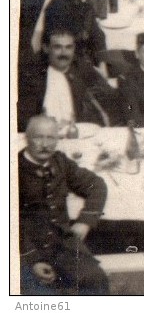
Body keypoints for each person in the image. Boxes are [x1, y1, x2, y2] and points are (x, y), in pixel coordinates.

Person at [18, 115, 109, 295]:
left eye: (51, 138)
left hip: (62, 245)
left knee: (96, 280)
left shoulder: (60, 162)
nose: (44, 144)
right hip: (24, 249)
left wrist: (85, 221)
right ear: (27, 138)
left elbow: (97, 185)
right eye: (38, 137)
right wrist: (33, 260)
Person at [18, 29, 117, 131]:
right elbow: (21, 116)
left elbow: (109, 100)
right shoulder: (32, 77)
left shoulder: (84, 71)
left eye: (68, 47)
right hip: (44, 134)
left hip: (79, 134)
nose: (63, 53)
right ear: (46, 48)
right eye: (57, 47)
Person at [42, 0, 107, 67]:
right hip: (67, 66)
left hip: (87, 62)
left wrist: (102, 63)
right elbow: (59, 49)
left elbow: (97, 36)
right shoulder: (58, 6)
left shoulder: (87, 3)